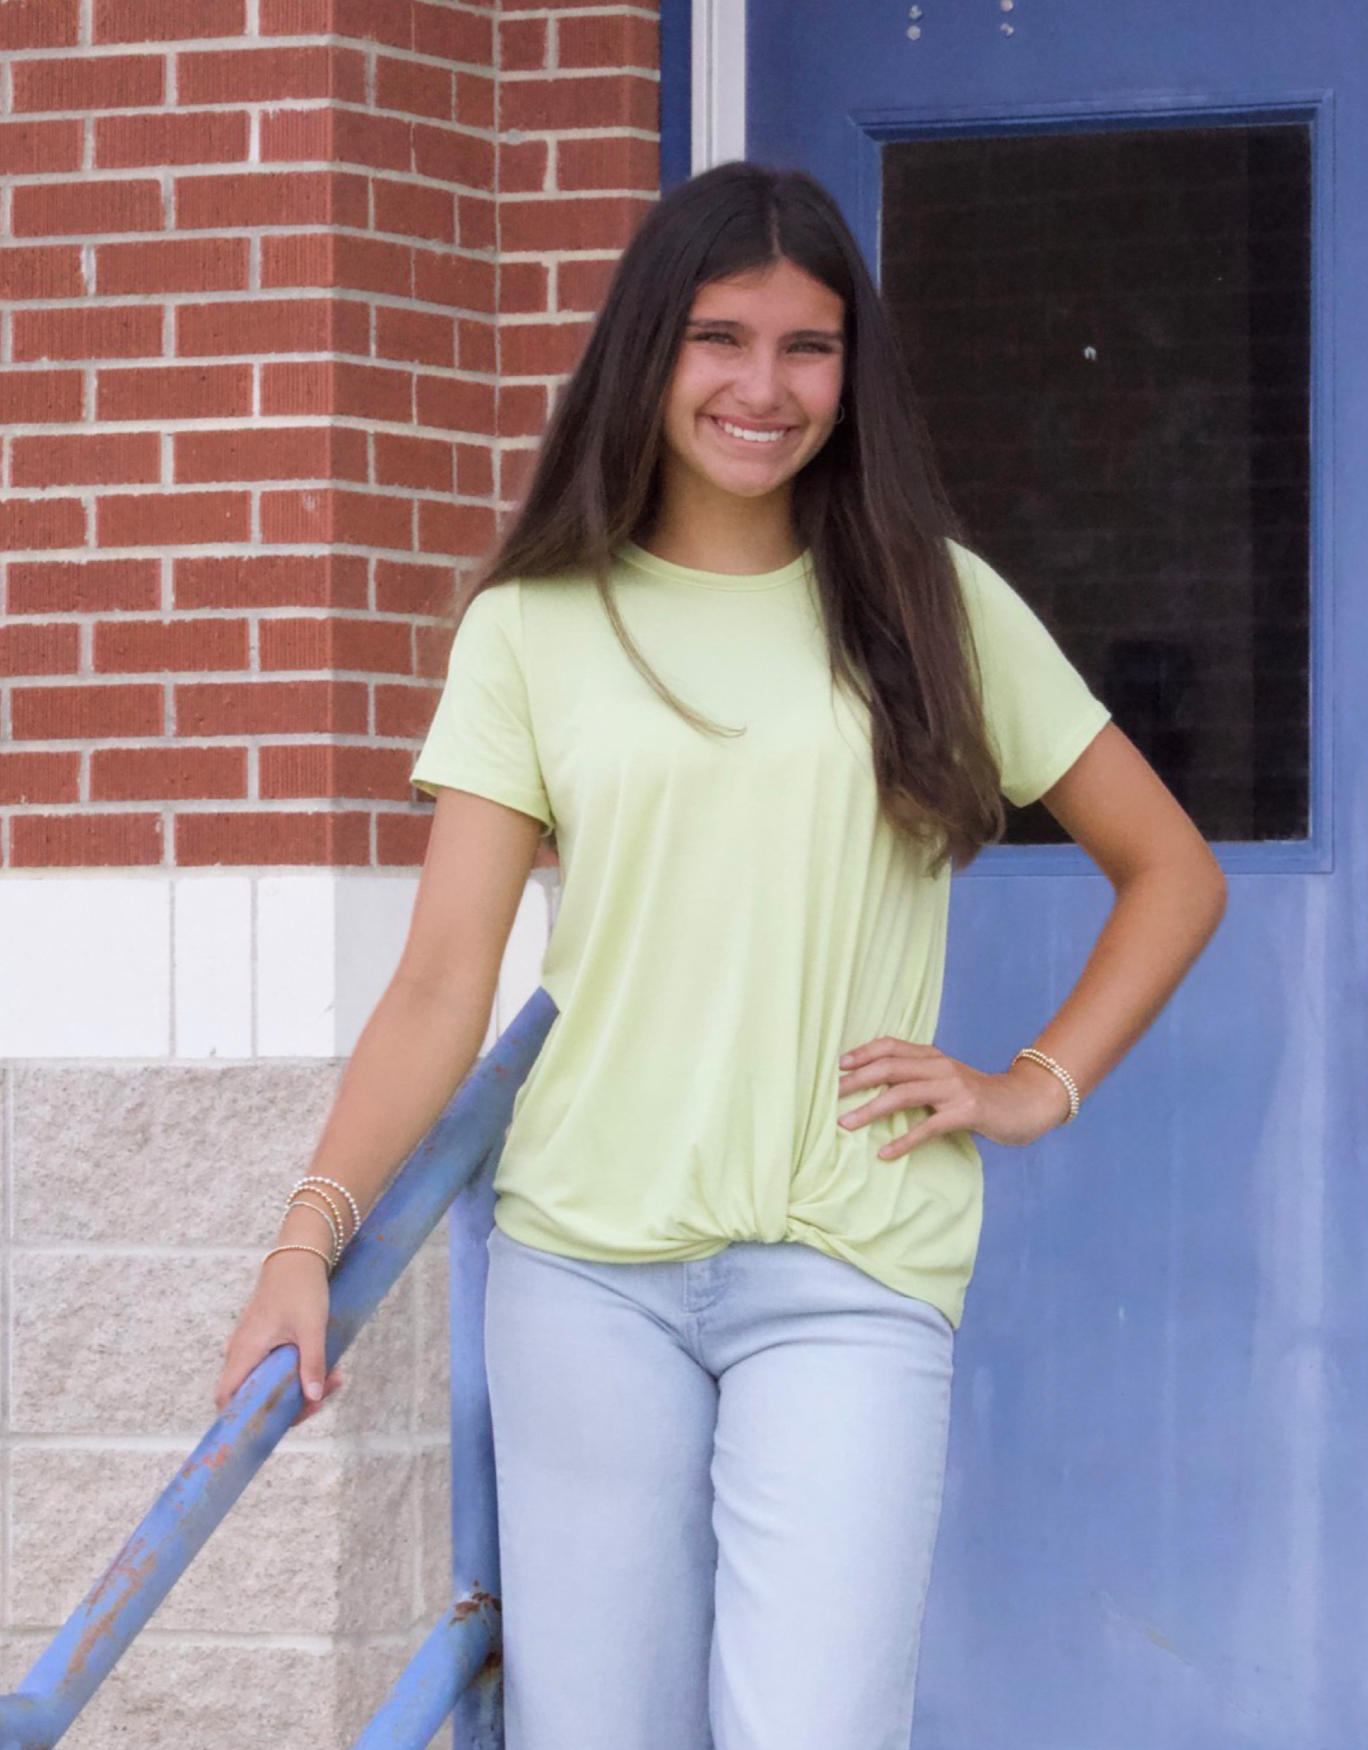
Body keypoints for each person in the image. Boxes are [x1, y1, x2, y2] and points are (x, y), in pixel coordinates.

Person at [214, 160, 1228, 1749]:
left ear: (852, 368)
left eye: (808, 346)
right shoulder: (536, 625)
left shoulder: (935, 605)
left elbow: (1169, 868)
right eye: (720, 337)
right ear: (648, 352)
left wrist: (1035, 1083)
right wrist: (305, 1241)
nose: (765, 386)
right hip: (584, 1277)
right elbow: (438, 982)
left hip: (849, 1268)